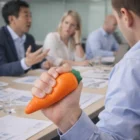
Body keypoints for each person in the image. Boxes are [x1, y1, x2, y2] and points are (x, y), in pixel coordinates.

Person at [32, 0, 140, 139]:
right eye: (67, 23)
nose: (69, 28)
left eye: (73, 25)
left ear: (125, 16)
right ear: (61, 22)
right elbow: (59, 61)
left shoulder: (132, 65)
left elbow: (79, 60)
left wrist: (69, 119)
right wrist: (77, 62)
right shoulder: (52, 37)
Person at [0, 0, 50, 76]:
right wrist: (26, 63)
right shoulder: (1, 37)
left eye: (30, 16)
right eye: (26, 16)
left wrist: (43, 64)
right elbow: (1, 68)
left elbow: (35, 60)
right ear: (11, 19)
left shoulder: (29, 38)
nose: (30, 20)